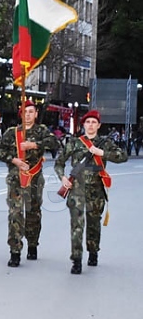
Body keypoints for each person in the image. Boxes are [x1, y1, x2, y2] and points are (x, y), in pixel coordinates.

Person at [54, 110, 127, 274]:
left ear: (99, 125)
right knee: (76, 225)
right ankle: (77, 260)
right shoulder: (74, 143)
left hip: (96, 190)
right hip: (76, 189)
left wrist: (102, 153)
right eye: (88, 122)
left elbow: (123, 156)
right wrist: (62, 178)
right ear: (83, 125)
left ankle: (93, 252)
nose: (91, 125)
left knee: (94, 224)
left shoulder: (104, 143)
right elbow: (59, 163)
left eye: (94, 122)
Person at [0, 100, 58, 267]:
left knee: (33, 212)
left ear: (36, 114)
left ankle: (32, 244)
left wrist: (34, 144)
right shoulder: (11, 132)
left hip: (35, 178)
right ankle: (15, 251)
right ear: (20, 114)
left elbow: (55, 143)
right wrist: (14, 160)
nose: (28, 114)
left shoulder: (41, 130)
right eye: (25, 112)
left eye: (31, 111)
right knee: (15, 213)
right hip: (16, 178)